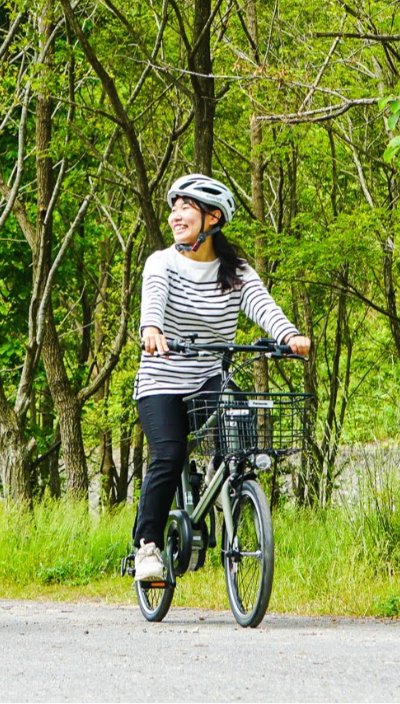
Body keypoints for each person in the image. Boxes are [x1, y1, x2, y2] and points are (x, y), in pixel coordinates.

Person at [132, 174, 311, 582]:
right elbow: (153, 300)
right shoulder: (162, 263)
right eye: (174, 208)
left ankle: (225, 477)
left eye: (186, 208)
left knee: (238, 412)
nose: (176, 216)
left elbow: (263, 306)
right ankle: (147, 548)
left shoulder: (235, 271)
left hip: (207, 378)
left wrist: (289, 336)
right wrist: (151, 330)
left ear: (212, 217)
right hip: (161, 381)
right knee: (169, 455)